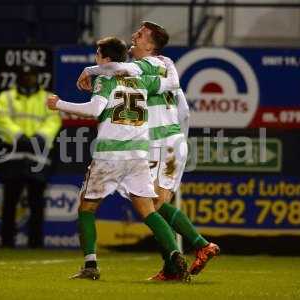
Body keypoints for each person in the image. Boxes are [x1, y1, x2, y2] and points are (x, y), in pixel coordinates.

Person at [77, 21, 219, 280]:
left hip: (161, 143)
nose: (134, 36)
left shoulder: (146, 66)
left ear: (150, 45)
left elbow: (117, 68)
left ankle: (196, 248)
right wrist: (180, 141)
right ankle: (179, 261)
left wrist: (89, 69)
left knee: (151, 206)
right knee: (154, 205)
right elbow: (184, 109)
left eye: (140, 35)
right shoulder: (166, 68)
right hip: (169, 142)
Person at [47, 36, 190, 282]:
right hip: (138, 154)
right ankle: (175, 254)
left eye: (97, 54)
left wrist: (58, 104)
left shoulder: (105, 78)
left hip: (110, 154)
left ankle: (90, 265)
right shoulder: (141, 80)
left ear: (105, 59)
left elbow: (94, 109)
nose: (95, 58)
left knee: (86, 208)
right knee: (148, 211)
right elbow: (171, 86)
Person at [0, 63, 61, 248]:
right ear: (17, 78)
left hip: (37, 156)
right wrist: (19, 137)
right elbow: (2, 120)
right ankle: (6, 243)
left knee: (36, 203)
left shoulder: (48, 98)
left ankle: (36, 243)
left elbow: (53, 120)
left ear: (38, 78)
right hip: (13, 156)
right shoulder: (5, 97)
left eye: (32, 75)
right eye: (24, 76)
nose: (28, 78)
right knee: (10, 202)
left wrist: (40, 137)